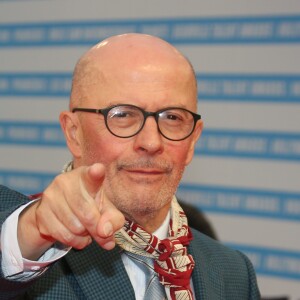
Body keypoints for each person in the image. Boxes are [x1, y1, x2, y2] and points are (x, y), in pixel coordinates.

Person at [0, 33, 260, 299]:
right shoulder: (31, 252)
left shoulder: (234, 272)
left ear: (193, 140)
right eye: (122, 115)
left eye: (172, 117)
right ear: (74, 133)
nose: (151, 142)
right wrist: (29, 231)